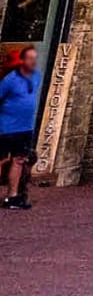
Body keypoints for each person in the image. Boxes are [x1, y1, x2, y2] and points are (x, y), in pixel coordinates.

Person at [0, 45, 41, 210]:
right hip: (6, 127)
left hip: (25, 128)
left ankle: (13, 196)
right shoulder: (8, 80)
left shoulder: (34, 78)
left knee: (19, 160)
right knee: (2, 159)